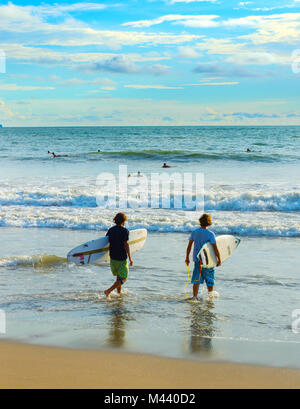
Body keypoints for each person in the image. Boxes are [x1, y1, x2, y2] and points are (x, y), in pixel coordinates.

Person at [185, 213, 221, 299]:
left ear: (200, 222)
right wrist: (219, 259)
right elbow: (215, 248)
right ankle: (210, 297)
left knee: (196, 279)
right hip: (208, 260)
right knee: (210, 279)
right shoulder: (210, 234)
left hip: (197, 260)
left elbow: (189, 246)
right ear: (209, 222)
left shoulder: (195, 232)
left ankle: (194, 297)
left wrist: (187, 257)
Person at [104, 213, 133, 299]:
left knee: (119, 277)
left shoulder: (111, 230)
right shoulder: (125, 231)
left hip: (112, 257)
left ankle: (119, 293)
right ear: (124, 221)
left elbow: (105, 241)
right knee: (124, 278)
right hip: (121, 257)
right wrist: (130, 258)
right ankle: (108, 291)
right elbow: (126, 245)